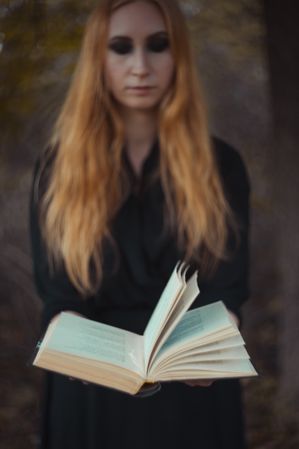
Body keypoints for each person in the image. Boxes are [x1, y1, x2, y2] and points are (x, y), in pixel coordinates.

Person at [30, 0, 250, 448]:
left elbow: (228, 290)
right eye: (120, 48)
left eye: (158, 45)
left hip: (192, 394)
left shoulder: (221, 164)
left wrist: (209, 348)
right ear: (98, 59)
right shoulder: (56, 169)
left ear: (179, 57)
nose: (140, 66)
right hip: (90, 398)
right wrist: (71, 345)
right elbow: (57, 296)